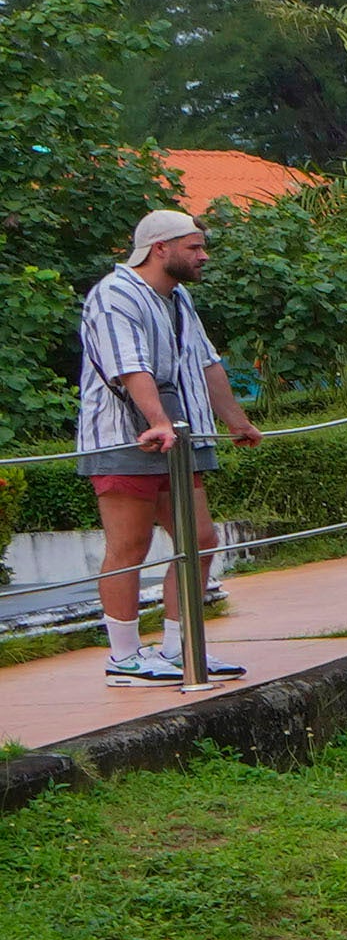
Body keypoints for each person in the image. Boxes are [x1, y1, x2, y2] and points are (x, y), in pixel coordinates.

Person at [73, 203, 257, 688]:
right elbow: (129, 366)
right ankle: (125, 657)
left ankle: (182, 647)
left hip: (180, 437)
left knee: (198, 540)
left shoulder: (178, 299)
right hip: (125, 437)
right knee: (129, 545)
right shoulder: (115, 295)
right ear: (161, 249)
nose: (203, 256)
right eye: (194, 247)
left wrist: (236, 421)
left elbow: (206, 362)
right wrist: (157, 422)